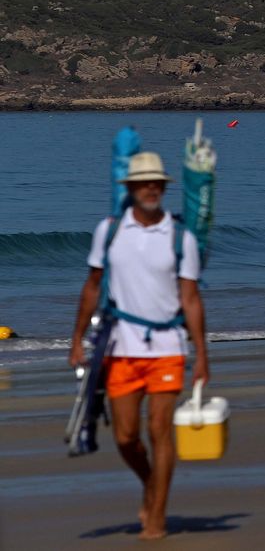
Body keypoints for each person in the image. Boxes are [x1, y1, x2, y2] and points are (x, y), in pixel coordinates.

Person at [69, 152, 208, 541]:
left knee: (159, 429)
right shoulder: (109, 231)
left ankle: (157, 516)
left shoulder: (181, 237)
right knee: (126, 437)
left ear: (164, 187)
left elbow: (191, 298)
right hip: (120, 347)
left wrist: (202, 354)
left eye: (156, 182)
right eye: (143, 182)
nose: (150, 188)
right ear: (129, 188)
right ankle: (151, 484)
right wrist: (76, 338)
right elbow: (92, 286)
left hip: (167, 346)